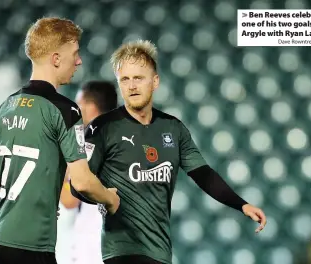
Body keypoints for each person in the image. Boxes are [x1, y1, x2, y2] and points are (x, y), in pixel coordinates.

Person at [71, 40, 267, 264]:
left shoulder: (173, 128)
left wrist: (241, 204)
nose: (132, 85)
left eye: (138, 78)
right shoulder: (101, 128)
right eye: (125, 79)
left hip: (160, 252)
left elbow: (203, 175)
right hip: (120, 251)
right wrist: (107, 199)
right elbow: (79, 186)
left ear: (155, 82)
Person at [0, 17, 120, 264]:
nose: (79, 61)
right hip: (32, 242)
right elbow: (81, 183)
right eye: (75, 53)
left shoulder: (5, 107)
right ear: (57, 58)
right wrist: (110, 198)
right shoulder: (65, 110)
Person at [58, 81, 118, 264]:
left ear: (90, 108)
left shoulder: (86, 144)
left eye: (79, 104)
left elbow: (69, 199)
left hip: (93, 250)